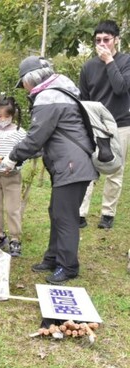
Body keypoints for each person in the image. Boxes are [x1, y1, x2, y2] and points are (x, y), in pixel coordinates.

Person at [2, 56, 98, 285]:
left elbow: (36, 138)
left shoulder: (48, 97)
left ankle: (68, 266)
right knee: (57, 211)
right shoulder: (59, 91)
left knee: (65, 217)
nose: (23, 88)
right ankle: (53, 257)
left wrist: (11, 157)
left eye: (22, 83)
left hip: (72, 166)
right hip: (69, 165)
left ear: (30, 79)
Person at [78, 20, 130, 229]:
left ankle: (107, 214)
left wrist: (109, 61)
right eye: (98, 40)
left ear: (116, 40)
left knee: (115, 170)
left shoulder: (126, 61)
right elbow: (83, 98)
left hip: (121, 124)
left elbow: (120, 88)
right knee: (89, 167)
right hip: (95, 125)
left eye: (106, 40)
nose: (102, 44)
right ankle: (80, 212)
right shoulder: (88, 67)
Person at [0, 96, 27, 257]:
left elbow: (24, 154)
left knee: (12, 208)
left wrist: (16, 164)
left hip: (12, 176)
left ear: (13, 115)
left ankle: (15, 238)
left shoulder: (19, 132)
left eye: (6, 116)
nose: (2, 120)